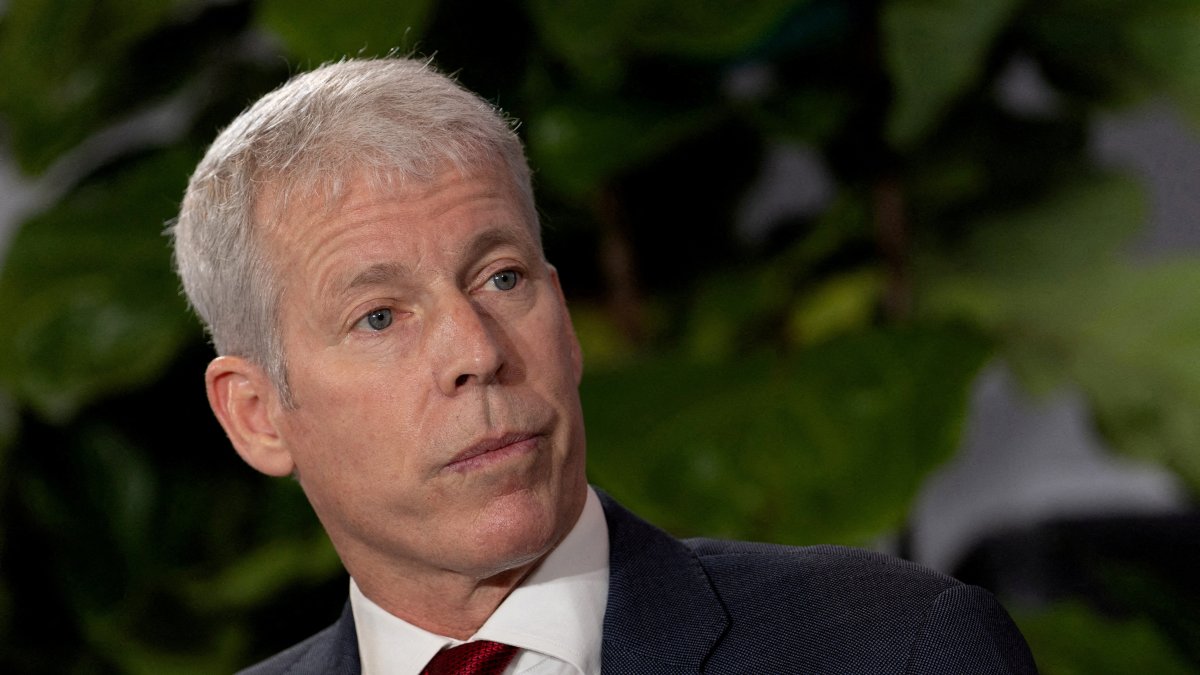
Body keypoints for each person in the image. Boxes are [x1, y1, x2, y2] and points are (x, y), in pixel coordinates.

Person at [171, 57, 1037, 674]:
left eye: (502, 278)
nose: (479, 351)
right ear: (256, 412)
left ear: (565, 322)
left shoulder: (897, 648)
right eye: (380, 316)